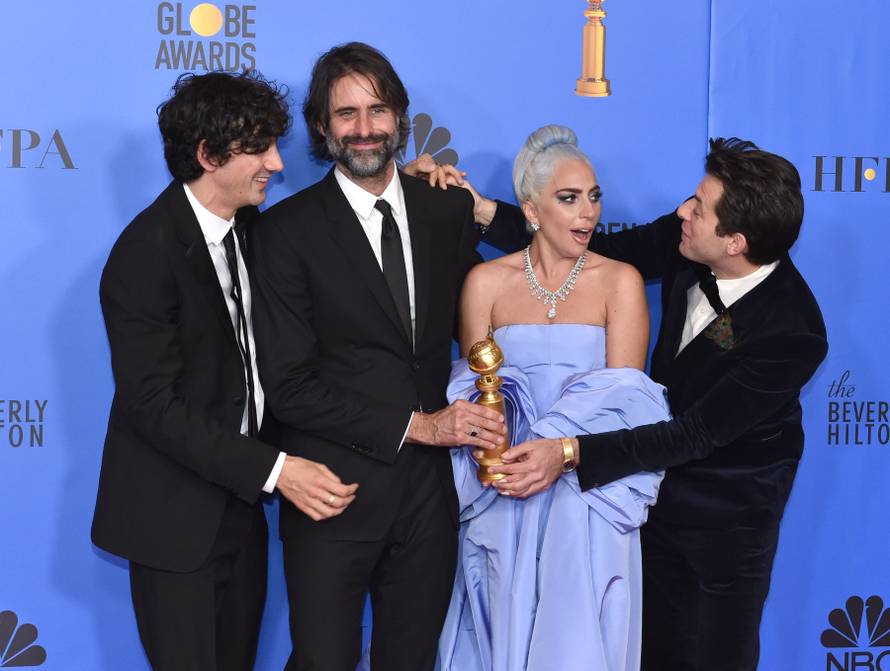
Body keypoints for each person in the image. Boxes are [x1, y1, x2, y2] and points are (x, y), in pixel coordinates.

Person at [469, 137, 828, 671]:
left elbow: (692, 435)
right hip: (644, 500)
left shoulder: (792, 332)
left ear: (734, 242)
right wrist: (482, 212)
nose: (682, 211)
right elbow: (594, 246)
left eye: (698, 209)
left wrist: (566, 452)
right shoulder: (688, 240)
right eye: (692, 196)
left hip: (726, 525)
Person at [250, 42, 505, 671]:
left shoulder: (446, 208)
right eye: (346, 114)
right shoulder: (284, 232)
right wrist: (420, 426)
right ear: (321, 126)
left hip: (429, 500)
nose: (364, 129)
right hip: (333, 492)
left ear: (400, 117)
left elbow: (509, 285)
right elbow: (289, 385)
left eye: (378, 110)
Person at [91, 71, 357, 671]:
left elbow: (333, 231)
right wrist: (278, 470)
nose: (277, 165)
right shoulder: (144, 255)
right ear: (208, 156)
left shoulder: (252, 231)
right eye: (259, 149)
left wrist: (413, 187)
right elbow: (153, 405)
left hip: (241, 513)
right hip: (173, 524)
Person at [437, 125, 669, 671]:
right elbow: (477, 398)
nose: (586, 213)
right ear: (532, 210)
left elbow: (625, 403)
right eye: (569, 198)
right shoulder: (485, 284)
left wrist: (556, 454)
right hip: (504, 496)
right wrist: (498, 457)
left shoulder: (621, 282)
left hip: (585, 497)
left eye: (593, 197)